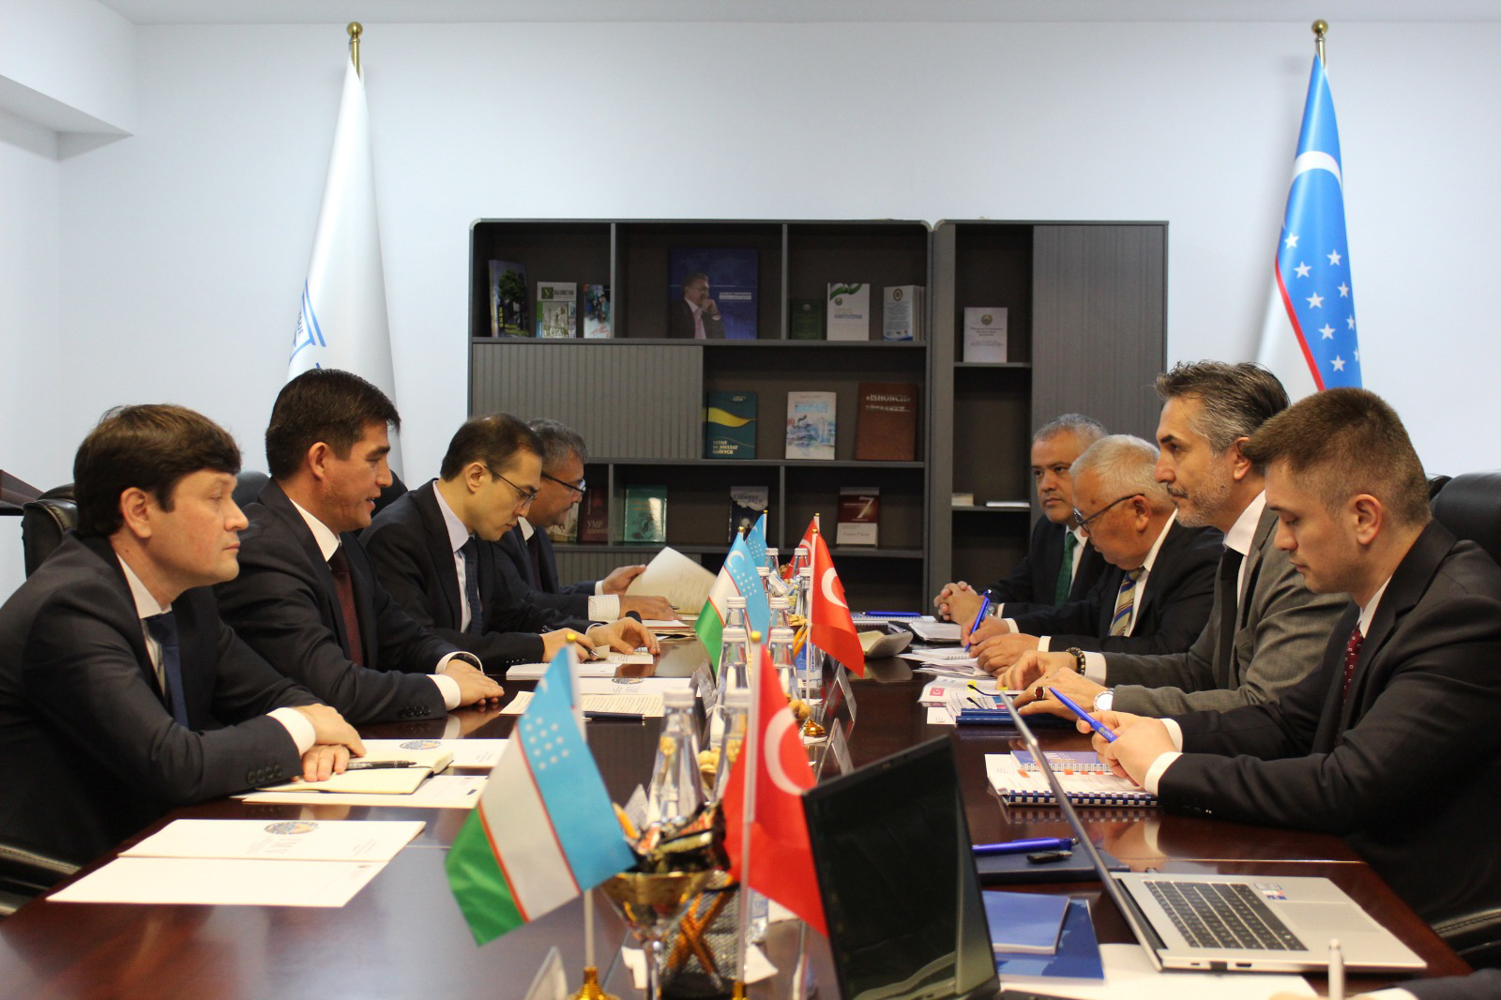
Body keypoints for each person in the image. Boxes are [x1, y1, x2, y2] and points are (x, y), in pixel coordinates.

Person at [1089, 388, 1501, 926]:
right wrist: (1165, 732)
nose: (1281, 542)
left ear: (1364, 517)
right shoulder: (1381, 593)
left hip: (1406, 916)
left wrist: (1166, 768)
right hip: (1337, 872)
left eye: (1292, 520)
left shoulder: (1462, 616)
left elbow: (1347, 786)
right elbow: (1288, 722)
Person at [0, 405, 363, 863]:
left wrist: (311, 730)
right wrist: (303, 729)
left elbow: (275, 693)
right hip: (69, 877)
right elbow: (174, 765)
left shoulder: (187, 594)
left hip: (162, 845)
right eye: (216, 498)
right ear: (140, 511)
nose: (239, 519)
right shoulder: (69, 610)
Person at [1000, 362, 1346, 717]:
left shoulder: (1293, 553)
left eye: (1176, 449)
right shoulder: (1239, 546)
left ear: (1240, 458)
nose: (1161, 472)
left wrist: (1104, 701)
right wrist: (1078, 663)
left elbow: (1268, 710)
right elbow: (1197, 670)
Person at [216, 369, 504, 725]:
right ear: (320, 460)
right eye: (374, 460)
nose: (386, 478)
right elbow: (333, 688)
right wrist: (450, 688)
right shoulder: (262, 554)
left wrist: (452, 663)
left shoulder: (345, 544)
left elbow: (403, 636)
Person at [362, 414, 660, 672]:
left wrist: (591, 633)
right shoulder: (398, 536)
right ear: (476, 476)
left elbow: (516, 613)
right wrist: (538, 646)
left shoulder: (480, 529)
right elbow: (420, 643)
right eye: (522, 494)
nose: (524, 511)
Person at [970, 434, 1221, 672]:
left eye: (1088, 519)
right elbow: (1088, 615)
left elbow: (1167, 653)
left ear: (1139, 511)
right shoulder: (1127, 553)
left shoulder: (1201, 558)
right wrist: (1009, 627)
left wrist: (1043, 648)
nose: (1084, 532)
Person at [933, 413, 1109, 626]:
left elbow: (1081, 617)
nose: (1046, 485)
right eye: (1038, 473)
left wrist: (989, 610)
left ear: (1098, 469)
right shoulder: (1048, 529)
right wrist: (972, 598)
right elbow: (1011, 588)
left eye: (1059, 469)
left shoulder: (1113, 535)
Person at [495, 419, 674, 621]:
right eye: (572, 486)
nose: (578, 498)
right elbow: (523, 604)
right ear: (536, 478)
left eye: (581, 486)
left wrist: (602, 589)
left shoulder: (537, 532)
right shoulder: (498, 531)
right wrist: (615, 606)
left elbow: (549, 598)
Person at [668, 271, 725, 339]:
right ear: (687, 290)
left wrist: (714, 312)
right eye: (703, 289)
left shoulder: (708, 313)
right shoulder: (674, 309)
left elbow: (721, 339)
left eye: (707, 290)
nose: (707, 294)